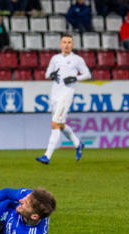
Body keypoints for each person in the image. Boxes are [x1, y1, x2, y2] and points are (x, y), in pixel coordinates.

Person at [36, 33, 91, 165]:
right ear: (60, 44)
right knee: (60, 125)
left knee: (55, 124)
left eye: (69, 42)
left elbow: (88, 74)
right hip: (55, 94)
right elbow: (46, 74)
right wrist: (51, 75)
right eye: (64, 42)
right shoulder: (55, 58)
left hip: (66, 95)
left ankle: (47, 156)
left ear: (73, 45)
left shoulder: (77, 59)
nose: (67, 45)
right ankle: (78, 144)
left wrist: (75, 78)